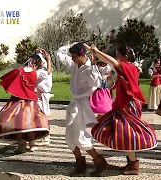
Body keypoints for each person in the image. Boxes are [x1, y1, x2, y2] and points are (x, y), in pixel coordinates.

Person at [88, 44, 158, 175]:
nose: (116, 57)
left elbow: (113, 63)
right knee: (124, 132)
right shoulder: (130, 68)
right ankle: (132, 163)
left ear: (125, 57)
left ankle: (133, 165)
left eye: (118, 55)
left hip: (128, 105)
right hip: (127, 104)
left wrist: (97, 52)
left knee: (127, 133)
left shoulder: (128, 67)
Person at [56, 43, 107, 176]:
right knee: (69, 137)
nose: (72, 59)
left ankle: (100, 162)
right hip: (74, 104)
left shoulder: (91, 69)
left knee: (79, 137)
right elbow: (59, 54)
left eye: (74, 56)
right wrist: (73, 44)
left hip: (84, 105)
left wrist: (95, 62)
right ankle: (80, 163)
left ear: (82, 55)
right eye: (71, 56)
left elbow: (97, 84)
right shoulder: (74, 64)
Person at [0, 53, 50, 154]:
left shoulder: (18, 71)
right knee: (29, 123)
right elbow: (48, 72)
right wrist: (48, 60)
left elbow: (7, 79)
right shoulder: (36, 73)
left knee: (18, 123)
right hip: (31, 101)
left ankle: (21, 145)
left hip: (17, 101)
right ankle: (32, 144)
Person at [34, 48, 53, 146]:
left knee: (43, 114)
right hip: (40, 95)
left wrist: (48, 59)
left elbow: (47, 72)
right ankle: (42, 135)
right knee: (39, 115)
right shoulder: (42, 69)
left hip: (42, 95)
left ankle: (46, 137)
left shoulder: (41, 71)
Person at [89, 55, 113, 120]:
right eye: (99, 63)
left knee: (103, 102)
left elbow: (109, 67)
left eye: (103, 63)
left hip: (103, 89)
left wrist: (106, 76)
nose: (101, 65)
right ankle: (100, 116)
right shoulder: (98, 69)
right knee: (99, 102)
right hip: (98, 89)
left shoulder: (106, 69)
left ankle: (101, 116)